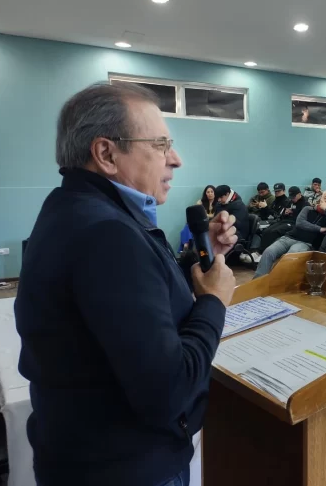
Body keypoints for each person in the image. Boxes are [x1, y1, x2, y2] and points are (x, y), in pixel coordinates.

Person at [15, 82, 238, 486]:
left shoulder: (73, 209)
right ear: (106, 154)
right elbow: (168, 391)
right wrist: (214, 302)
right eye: (160, 144)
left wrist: (197, 259)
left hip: (83, 456)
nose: (176, 159)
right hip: (129, 467)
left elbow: (132, 294)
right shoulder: (107, 233)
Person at [254, 191, 326, 278]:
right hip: (290, 237)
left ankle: (276, 282)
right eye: (325, 198)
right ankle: (257, 281)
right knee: (269, 251)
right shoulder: (307, 209)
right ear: (320, 198)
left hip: (306, 243)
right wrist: (319, 229)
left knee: (291, 255)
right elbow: (300, 223)